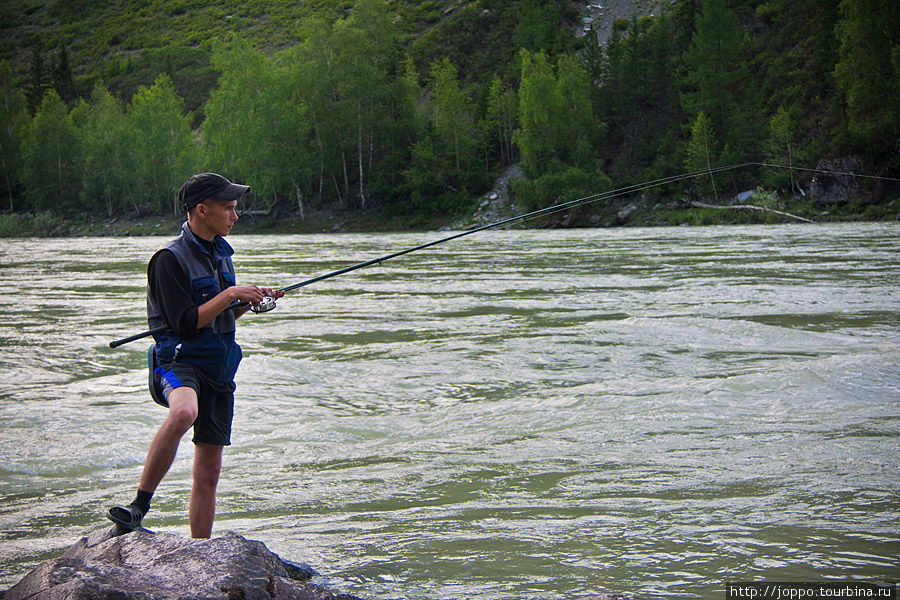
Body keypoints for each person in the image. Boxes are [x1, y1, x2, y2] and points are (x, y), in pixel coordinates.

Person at [107, 173, 284, 538]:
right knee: (185, 411)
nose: (235, 216)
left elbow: (219, 316)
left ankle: (200, 552)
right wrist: (232, 293)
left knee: (209, 474)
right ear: (202, 211)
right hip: (179, 363)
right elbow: (186, 324)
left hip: (219, 370)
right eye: (229, 208)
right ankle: (139, 505)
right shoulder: (167, 261)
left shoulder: (221, 255)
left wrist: (249, 303)